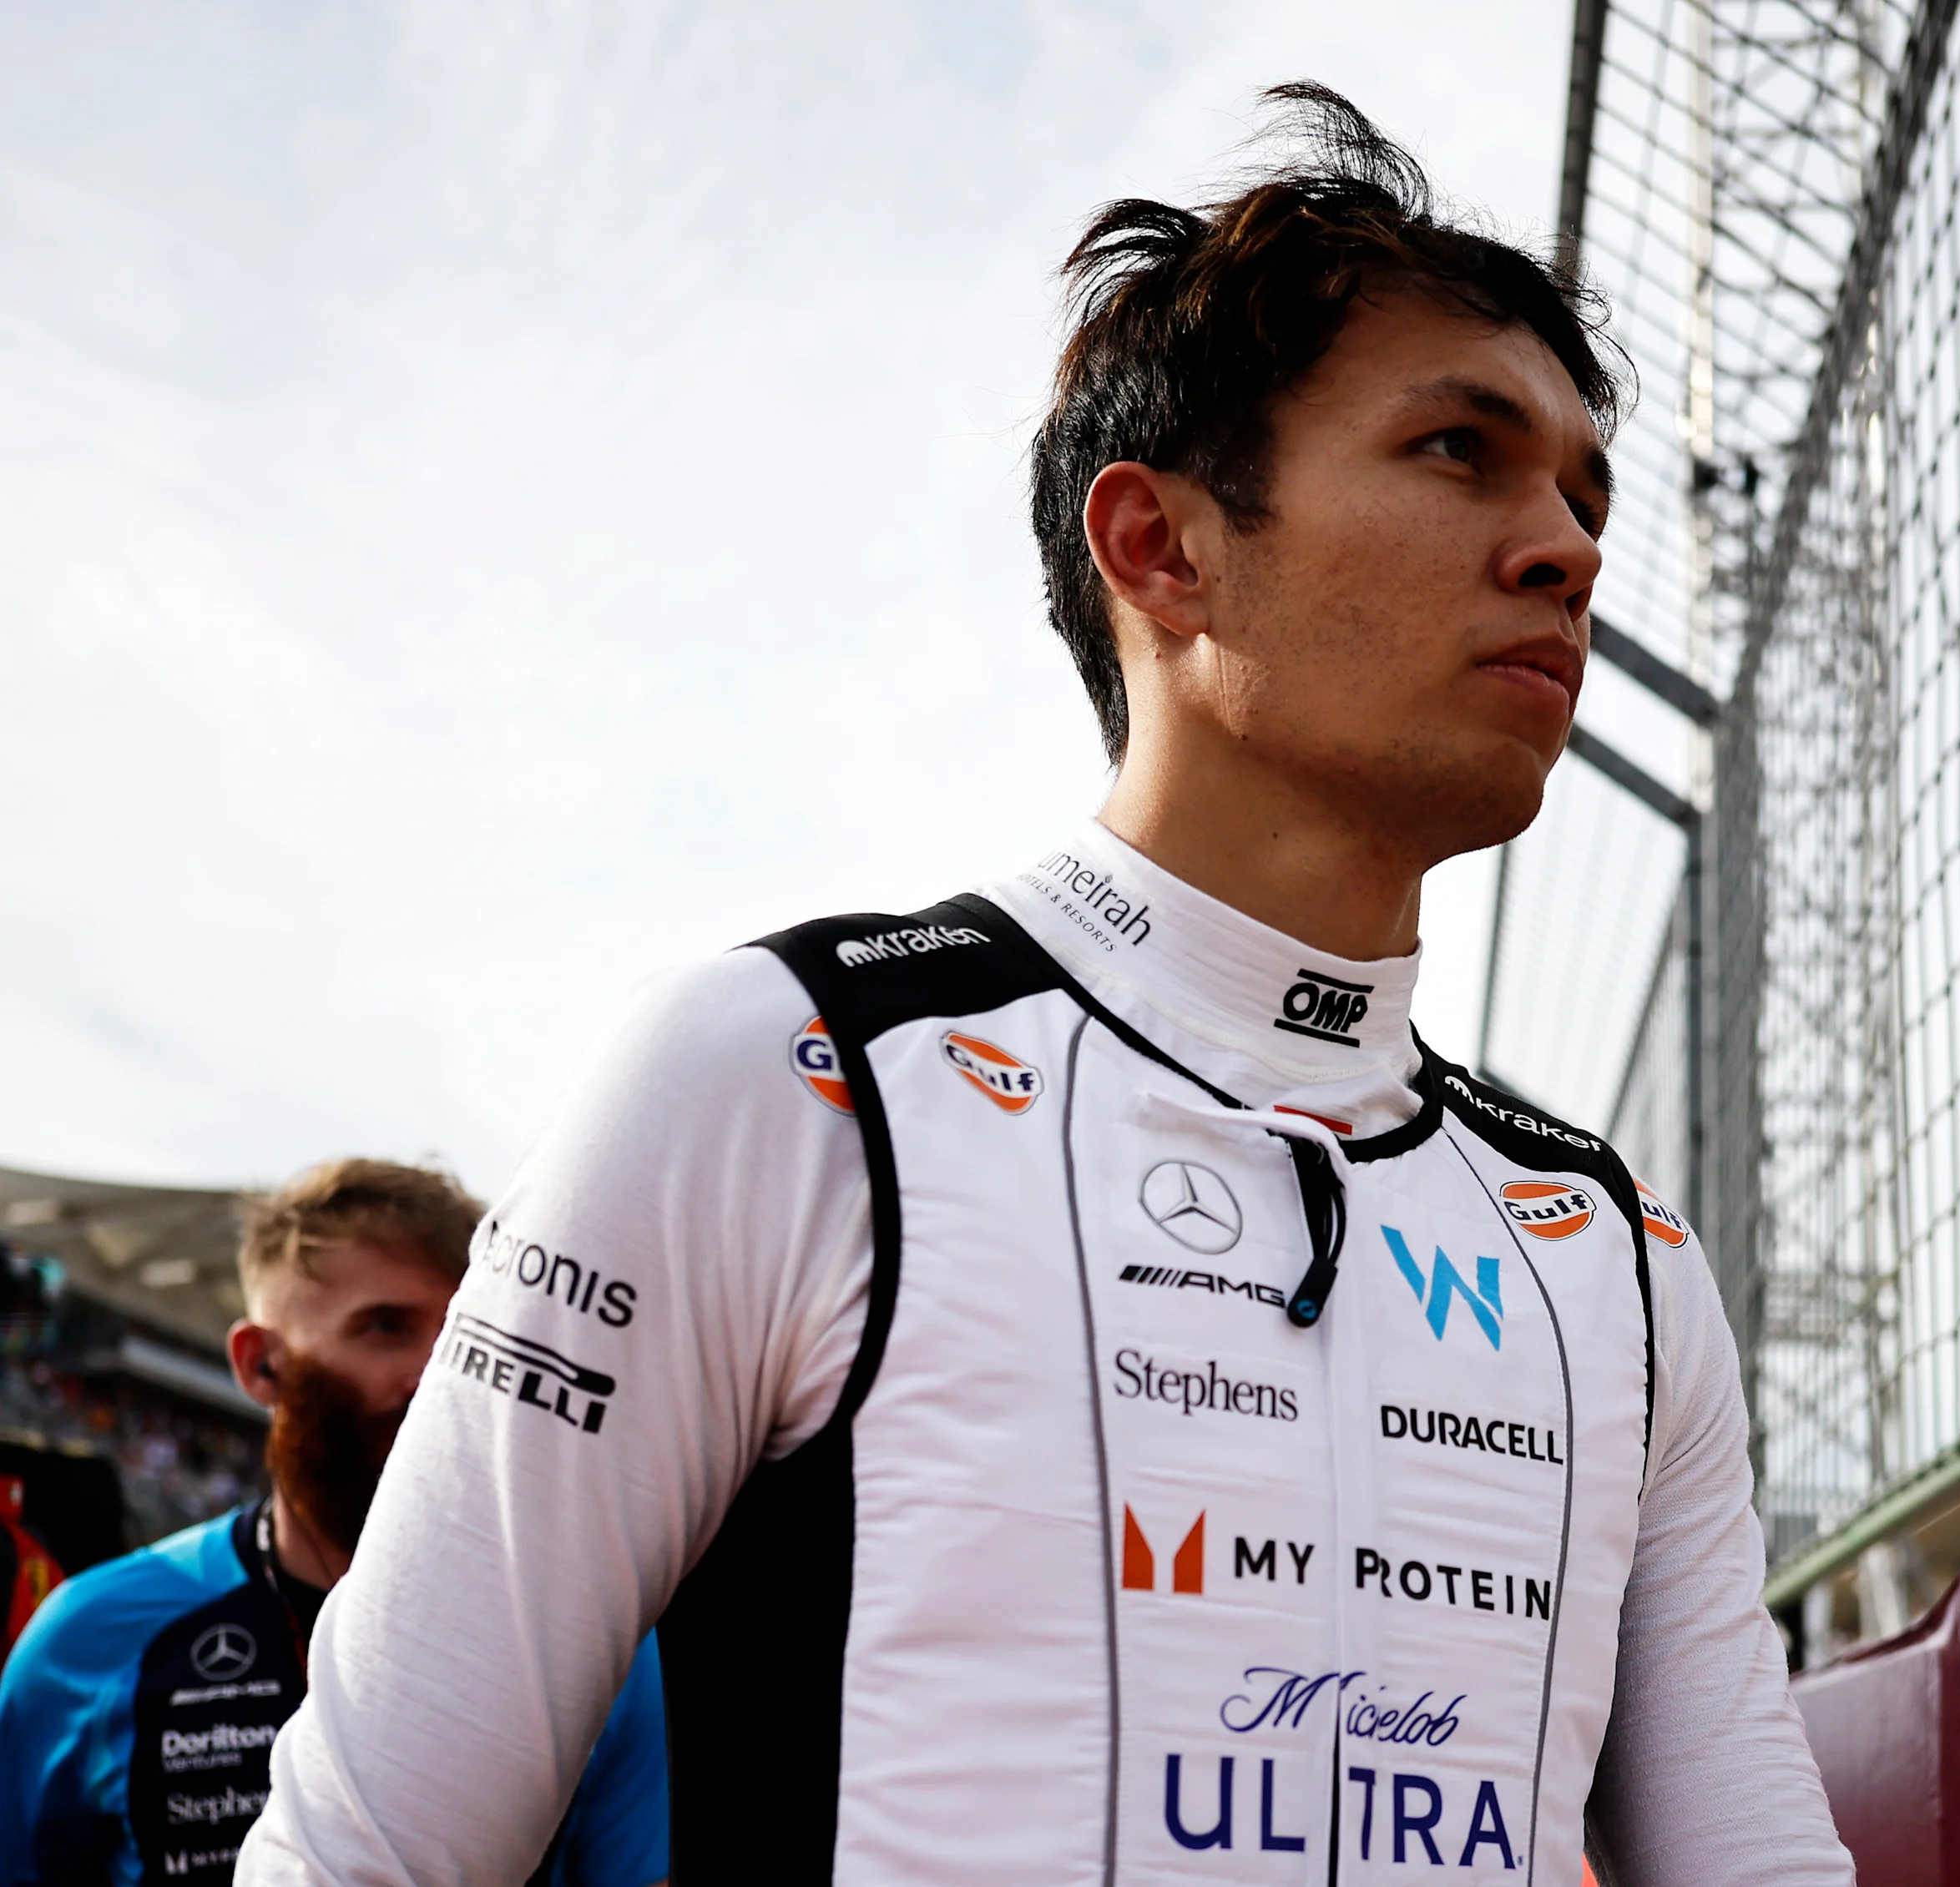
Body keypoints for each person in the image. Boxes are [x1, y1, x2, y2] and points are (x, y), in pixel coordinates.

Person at [240, 86, 1851, 1887]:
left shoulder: (1614, 1252)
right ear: (1159, 545)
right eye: (1458, 451)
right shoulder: (783, 1078)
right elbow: (364, 1844)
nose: (1566, 544)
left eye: (1579, 485)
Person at [0, 1160, 669, 1887]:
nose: (438, 1373)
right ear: (261, 1366)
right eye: (385, 1327)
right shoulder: (91, 1640)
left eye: (464, 1333)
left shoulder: (599, 1651)